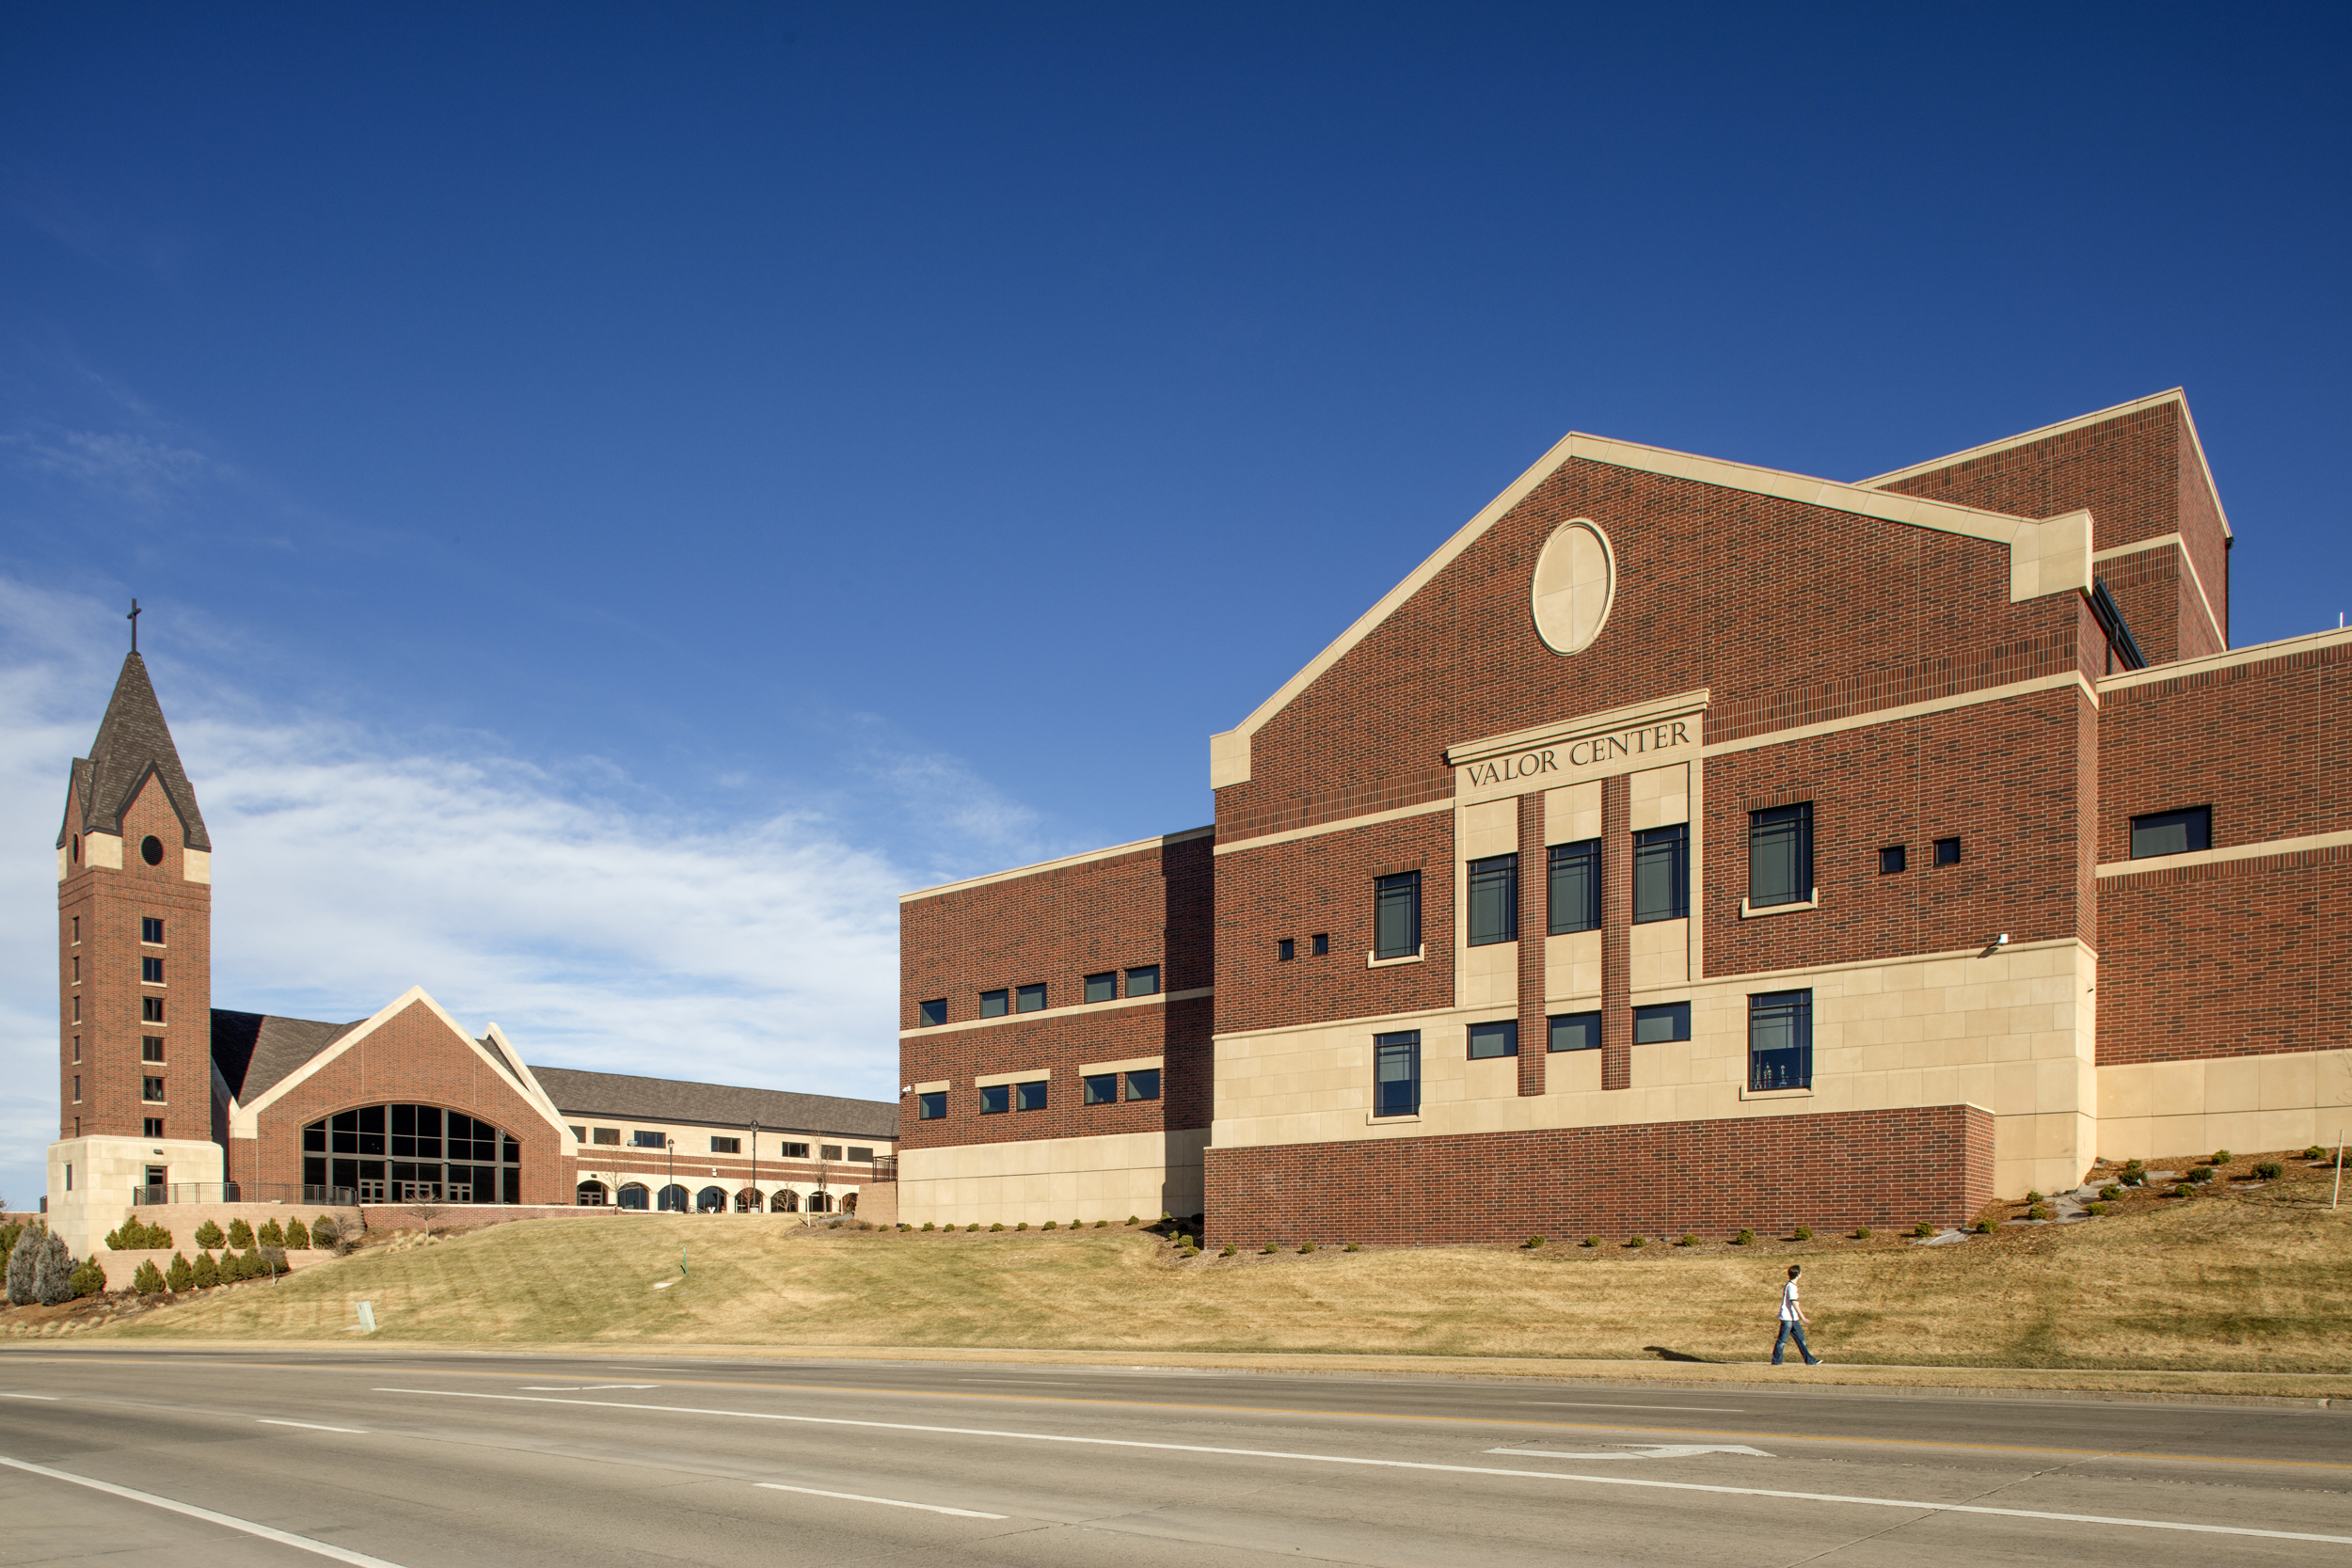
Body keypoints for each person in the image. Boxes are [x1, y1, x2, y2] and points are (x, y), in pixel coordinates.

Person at [1772, 1263, 1822, 1366]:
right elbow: (1794, 1302)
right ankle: (1776, 1362)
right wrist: (1803, 1317)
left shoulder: (1792, 1286)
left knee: (1801, 1340)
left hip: (1793, 1318)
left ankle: (1810, 1360)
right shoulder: (1791, 1286)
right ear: (1798, 1274)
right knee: (1782, 1341)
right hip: (1787, 1318)